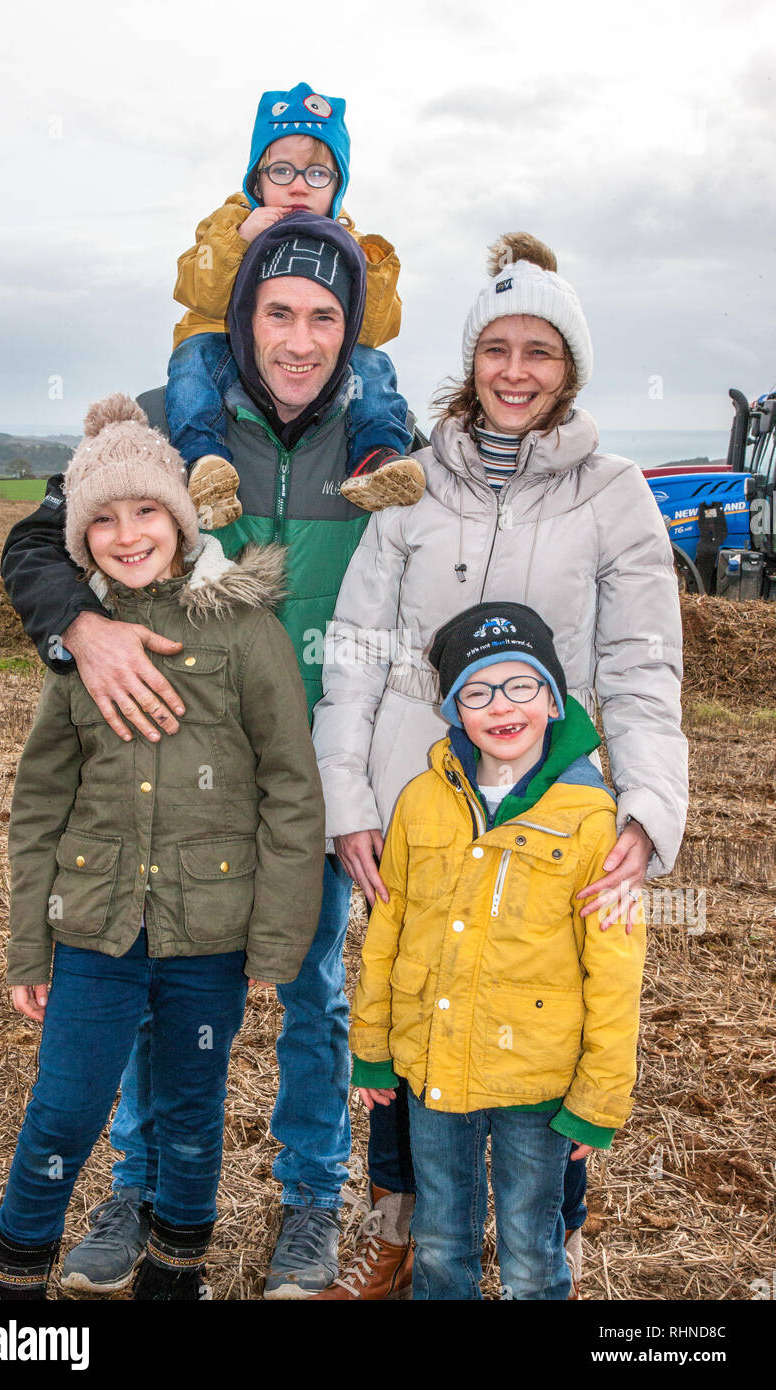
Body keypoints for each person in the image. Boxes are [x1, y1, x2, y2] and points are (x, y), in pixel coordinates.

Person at [0, 214, 388, 1298]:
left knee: (310, 988)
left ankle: (312, 1200)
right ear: (242, 314)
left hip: (318, 766)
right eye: (278, 312)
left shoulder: (378, 437)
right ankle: (135, 1190)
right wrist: (83, 625)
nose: (300, 339)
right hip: (176, 759)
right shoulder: (174, 420)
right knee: (146, 972)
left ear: (350, 329)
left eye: (324, 317)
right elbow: (38, 539)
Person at [310, 232, 688, 1299]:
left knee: (541, 1005)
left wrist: (646, 808)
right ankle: (406, 1239)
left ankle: (541, 1252)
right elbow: (356, 651)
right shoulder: (408, 484)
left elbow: (640, 664)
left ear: (569, 369)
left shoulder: (613, 494)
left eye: (542, 351)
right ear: (469, 359)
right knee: (413, 1003)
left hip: (549, 794)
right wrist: (350, 797)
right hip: (410, 789)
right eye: (497, 348)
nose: (516, 370)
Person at [0, 394, 324, 1301]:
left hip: (209, 931)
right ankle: (14, 1285)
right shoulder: (77, 647)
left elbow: (291, 785)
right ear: (81, 537)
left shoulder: (245, 630)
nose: (128, 535)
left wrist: (277, 940)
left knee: (190, 1115)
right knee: (62, 1112)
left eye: (146, 511)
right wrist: (28, 941)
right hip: (93, 927)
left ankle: (175, 1276)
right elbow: (40, 798)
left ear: (180, 514)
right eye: (104, 520)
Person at [350, 602, 647, 1300]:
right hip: (434, 1075)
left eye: (521, 685)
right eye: (477, 691)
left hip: (537, 1088)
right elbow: (386, 935)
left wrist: (600, 1097)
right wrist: (372, 1046)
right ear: (454, 708)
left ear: (552, 697)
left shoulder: (593, 818)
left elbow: (615, 968)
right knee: (443, 1240)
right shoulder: (421, 801)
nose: (501, 706)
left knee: (530, 1246)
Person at [167, 79, 424, 521]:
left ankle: (376, 456)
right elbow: (196, 291)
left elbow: (377, 330)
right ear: (256, 178)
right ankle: (202, 461)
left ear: (337, 186)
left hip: (330, 379)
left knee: (374, 366)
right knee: (191, 362)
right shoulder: (231, 221)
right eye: (282, 171)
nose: (299, 188)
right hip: (221, 344)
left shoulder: (347, 240)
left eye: (317, 174)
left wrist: (369, 266)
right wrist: (239, 239)